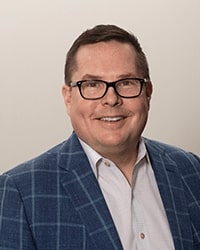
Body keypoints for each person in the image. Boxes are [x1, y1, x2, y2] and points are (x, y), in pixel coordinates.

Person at [0, 24, 200, 250]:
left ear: (148, 93)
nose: (111, 99)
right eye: (92, 84)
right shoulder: (21, 192)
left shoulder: (191, 169)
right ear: (68, 98)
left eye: (126, 83)